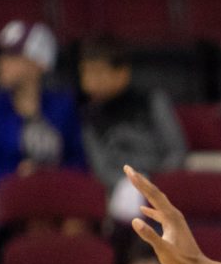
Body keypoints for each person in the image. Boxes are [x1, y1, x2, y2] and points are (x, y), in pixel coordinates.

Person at [77, 37, 187, 207]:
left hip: (161, 185)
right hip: (120, 190)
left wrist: (157, 184)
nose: (90, 81)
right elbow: (101, 169)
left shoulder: (151, 102)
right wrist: (131, 185)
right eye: (85, 73)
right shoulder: (89, 117)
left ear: (122, 73)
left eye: (98, 72)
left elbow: (177, 151)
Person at [0, 19, 83, 184]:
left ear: (39, 63)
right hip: (7, 198)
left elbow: (79, 163)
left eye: (13, 56)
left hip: (58, 194)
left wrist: (46, 175)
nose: (1, 63)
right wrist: (18, 177)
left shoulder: (63, 107)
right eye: (2, 55)